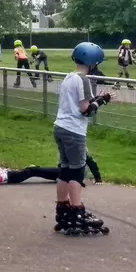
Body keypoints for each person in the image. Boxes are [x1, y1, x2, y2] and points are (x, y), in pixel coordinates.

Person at [53, 42, 116, 236]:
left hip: (60, 127)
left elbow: (77, 103)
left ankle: (62, 209)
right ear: (92, 62)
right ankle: (77, 211)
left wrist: (96, 99)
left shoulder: (69, 77)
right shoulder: (84, 81)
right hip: (74, 131)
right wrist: (102, 101)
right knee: (77, 172)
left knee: (64, 169)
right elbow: (85, 110)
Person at [0, 156, 103, 186]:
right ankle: (5, 173)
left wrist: (98, 178)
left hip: (68, 175)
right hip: (65, 173)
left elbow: (92, 162)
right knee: (34, 168)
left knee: (34, 170)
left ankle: (3, 176)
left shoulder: (78, 147)